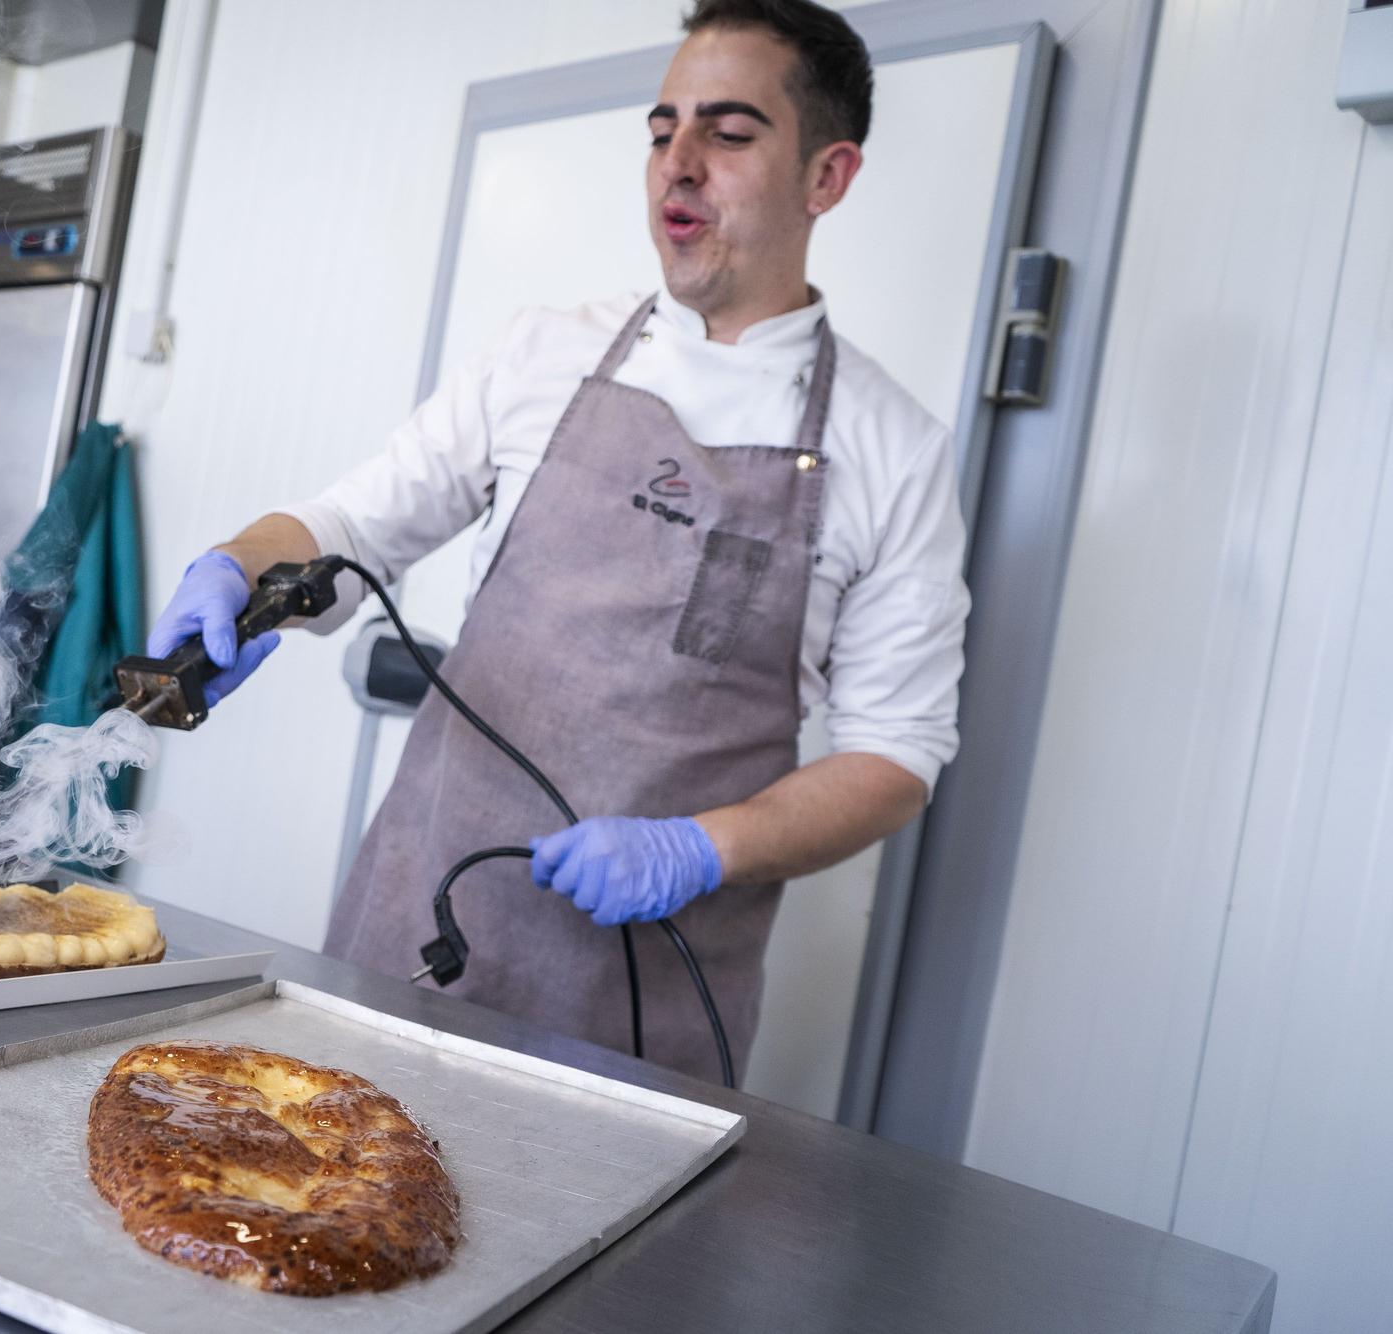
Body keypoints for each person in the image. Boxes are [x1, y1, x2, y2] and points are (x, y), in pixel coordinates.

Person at [147, 0, 970, 1080]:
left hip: (645, 998)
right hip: (420, 926)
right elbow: (351, 524)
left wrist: (699, 847)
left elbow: (894, 757)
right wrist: (240, 562)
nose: (676, 165)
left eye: (726, 134)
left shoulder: (891, 447)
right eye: (660, 128)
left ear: (827, 177)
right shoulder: (542, 353)